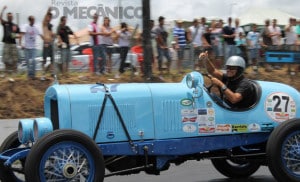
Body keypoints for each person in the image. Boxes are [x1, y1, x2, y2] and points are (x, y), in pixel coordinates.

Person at [0, 6, 20, 81]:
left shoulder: (15, 25)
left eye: (11, 16)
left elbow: (20, 34)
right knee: (6, 59)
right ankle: (6, 74)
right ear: (7, 17)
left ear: (12, 17)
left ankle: (14, 74)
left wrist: (15, 35)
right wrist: (2, 10)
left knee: (15, 59)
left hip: (13, 44)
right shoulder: (5, 23)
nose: (10, 17)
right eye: (8, 16)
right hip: (6, 43)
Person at [41, 7, 55, 80]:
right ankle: (43, 74)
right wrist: (48, 11)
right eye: (49, 17)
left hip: (50, 43)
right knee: (44, 59)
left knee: (52, 59)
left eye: (50, 17)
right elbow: (45, 18)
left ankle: (52, 73)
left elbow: (51, 33)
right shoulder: (44, 23)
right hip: (46, 43)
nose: (49, 18)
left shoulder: (50, 25)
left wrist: (53, 36)